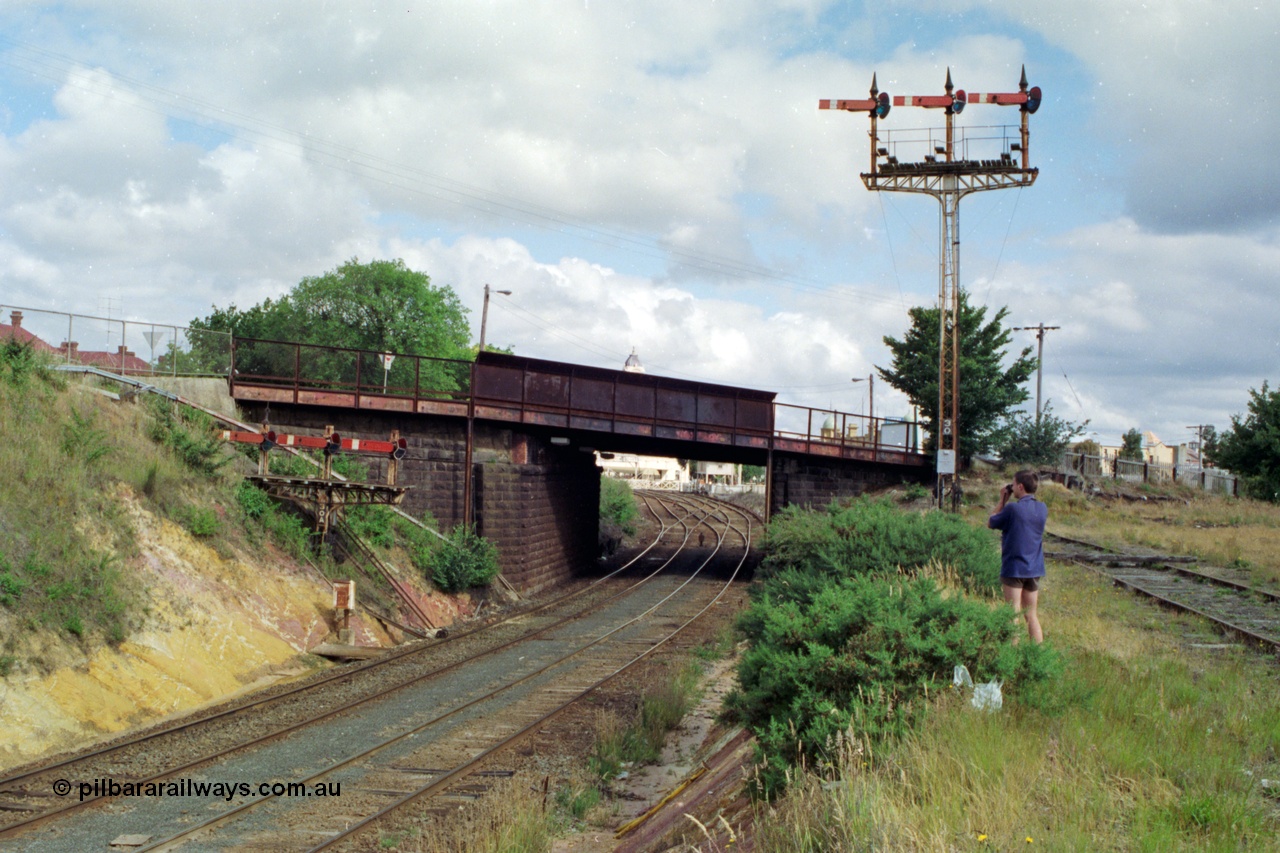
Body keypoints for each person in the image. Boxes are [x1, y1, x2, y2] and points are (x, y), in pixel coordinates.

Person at [988, 470, 1047, 643]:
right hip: (1034, 568)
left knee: (1012, 614)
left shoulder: (1013, 508)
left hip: (1014, 568)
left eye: (1013, 485)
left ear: (1020, 486)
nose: (1012, 488)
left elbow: (991, 522)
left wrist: (1002, 500)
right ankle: (1037, 657)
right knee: (1031, 615)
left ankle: (1011, 657)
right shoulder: (1042, 508)